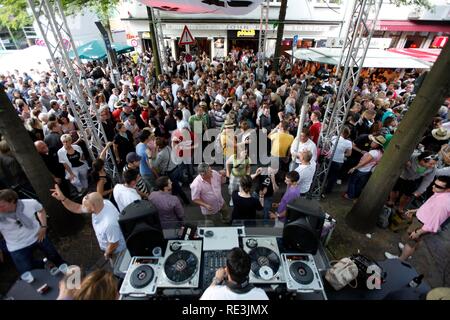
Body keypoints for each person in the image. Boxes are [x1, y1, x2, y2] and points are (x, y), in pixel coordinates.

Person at [51, 185, 126, 263]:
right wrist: (63, 198)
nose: (83, 207)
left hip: (118, 252)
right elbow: (77, 208)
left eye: (85, 206)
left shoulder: (109, 224)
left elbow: (114, 243)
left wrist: (107, 253)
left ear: (93, 207)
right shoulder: (102, 203)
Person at [0, 189, 66, 274]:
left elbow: (41, 210)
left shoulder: (30, 203)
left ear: (12, 201)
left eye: (1, 206)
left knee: (55, 257)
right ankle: (44, 264)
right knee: (26, 271)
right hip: (16, 246)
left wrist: (44, 226)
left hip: (38, 236)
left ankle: (69, 273)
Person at [385, 176, 450, 261]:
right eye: (434, 184)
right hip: (422, 222)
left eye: (438, 186)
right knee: (415, 242)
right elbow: (429, 207)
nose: (433, 186)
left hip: (423, 225)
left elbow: (433, 223)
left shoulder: (442, 204)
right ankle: (407, 252)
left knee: (411, 242)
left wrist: (418, 232)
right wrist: (416, 210)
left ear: (448, 189)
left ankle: (400, 260)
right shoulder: (442, 195)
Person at [200, 247, 269, 300]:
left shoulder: (211, 294)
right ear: (249, 269)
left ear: (227, 270)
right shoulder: (261, 295)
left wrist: (216, 280)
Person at [387, 151, 437, 217]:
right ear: (422, 160)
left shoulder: (433, 168)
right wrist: (404, 162)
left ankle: (400, 208)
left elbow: (428, 180)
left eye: (434, 164)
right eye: (431, 164)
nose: (433, 166)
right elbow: (396, 159)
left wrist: (420, 191)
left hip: (414, 179)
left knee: (407, 196)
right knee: (394, 189)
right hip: (402, 176)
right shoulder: (412, 157)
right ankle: (391, 202)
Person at [344, 135, 385, 200]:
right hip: (367, 171)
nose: (372, 142)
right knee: (359, 184)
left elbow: (363, 162)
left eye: (374, 142)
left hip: (361, 170)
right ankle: (355, 195)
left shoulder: (373, 152)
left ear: (377, 145)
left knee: (352, 182)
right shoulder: (380, 153)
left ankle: (350, 195)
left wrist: (354, 168)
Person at [324, 127, 353, 194]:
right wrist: (342, 154)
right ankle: (328, 191)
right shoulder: (349, 143)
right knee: (333, 176)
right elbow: (349, 154)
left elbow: (327, 146)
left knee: (325, 173)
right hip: (339, 161)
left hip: (329, 158)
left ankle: (319, 187)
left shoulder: (334, 137)